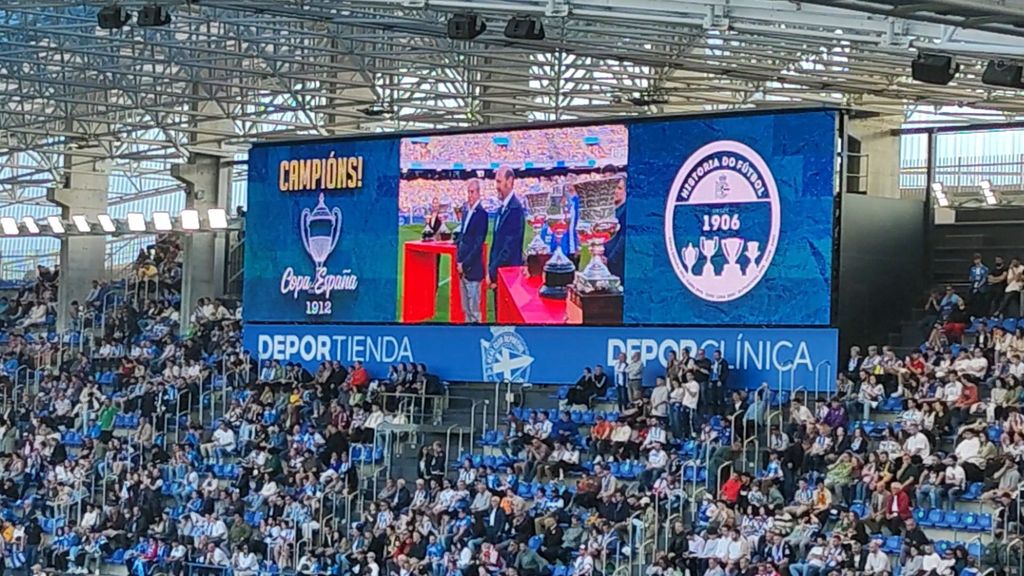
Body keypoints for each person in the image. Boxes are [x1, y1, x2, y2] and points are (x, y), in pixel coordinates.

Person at [487, 165, 525, 292]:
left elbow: (508, 248)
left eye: (499, 181)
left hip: (508, 276)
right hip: (500, 275)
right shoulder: (502, 209)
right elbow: (496, 245)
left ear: (509, 182)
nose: (496, 186)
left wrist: (492, 273)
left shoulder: (515, 209)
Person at [456, 179, 488, 323]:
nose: (470, 195)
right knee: (466, 309)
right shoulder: (465, 211)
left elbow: (477, 245)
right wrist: (459, 261)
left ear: (478, 193)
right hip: (462, 267)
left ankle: (477, 339)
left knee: (474, 312)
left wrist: (465, 264)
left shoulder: (482, 214)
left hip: (473, 269)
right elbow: (462, 238)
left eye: (472, 192)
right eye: (468, 192)